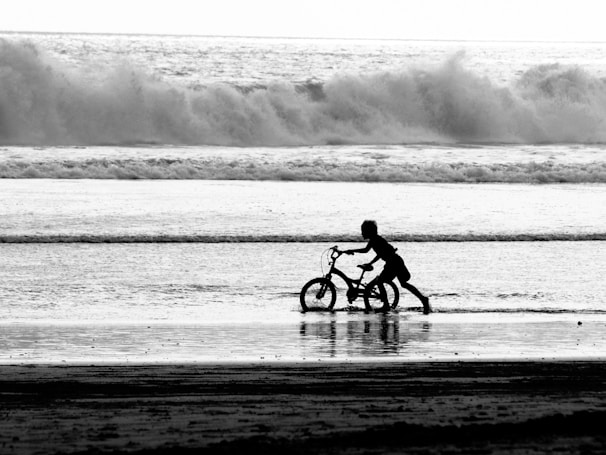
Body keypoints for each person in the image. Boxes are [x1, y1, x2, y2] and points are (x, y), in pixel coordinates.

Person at [343, 220, 432, 314]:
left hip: (393, 262)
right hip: (394, 261)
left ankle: (386, 305)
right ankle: (423, 299)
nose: (362, 233)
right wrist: (365, 259)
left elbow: (374, 252)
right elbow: (373, 252)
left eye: (363, 231)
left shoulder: (376, 240)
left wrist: (353, 252)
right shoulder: (375, 239)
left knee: (381, 281)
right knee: (403, 284)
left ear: (370, 231)